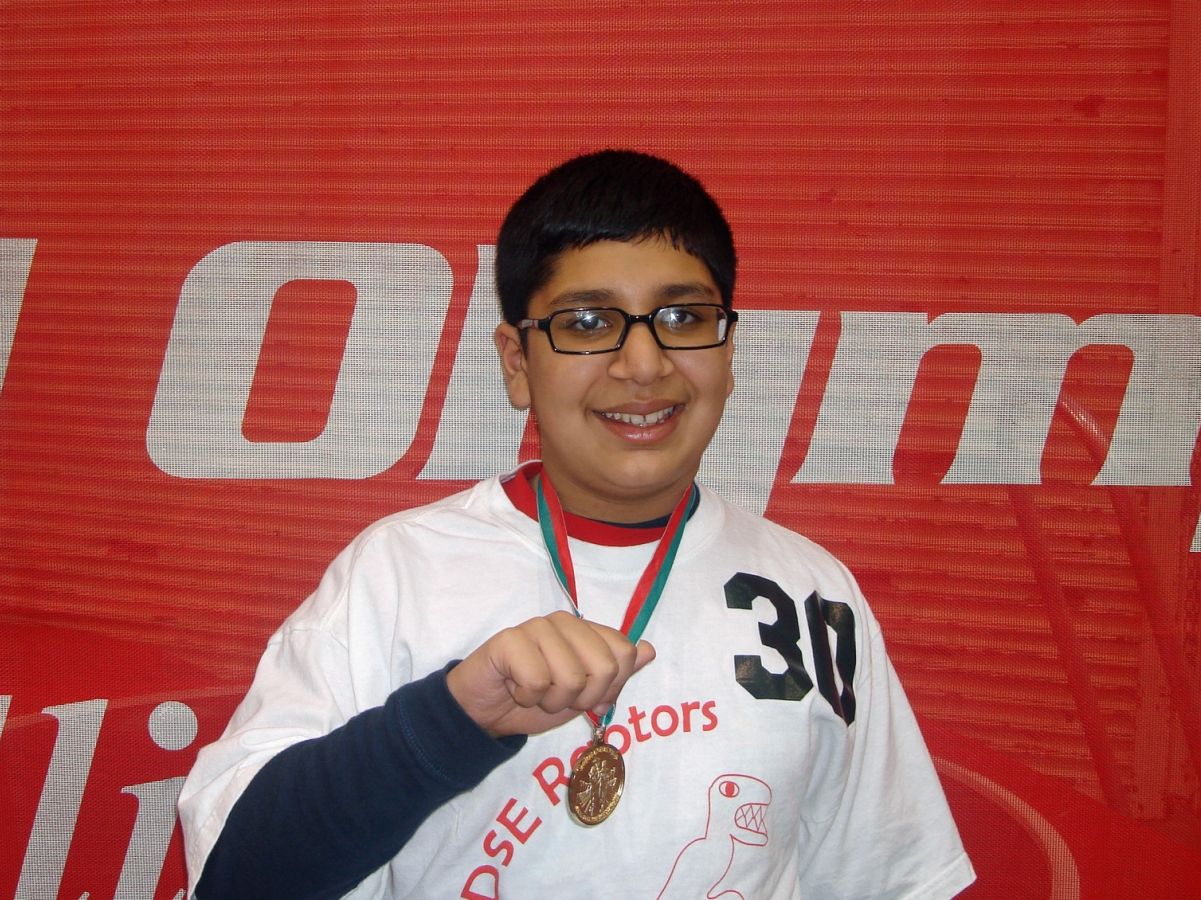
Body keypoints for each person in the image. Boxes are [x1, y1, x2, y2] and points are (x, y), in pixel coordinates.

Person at [178, 150, 975, 900]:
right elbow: (241, 876)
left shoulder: (810, 590)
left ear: (729, 354)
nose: (643, 365)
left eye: (682, 317)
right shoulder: (401, 570)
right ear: (518, 363)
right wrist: (451, 719)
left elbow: (890, 875)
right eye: (588, 323)